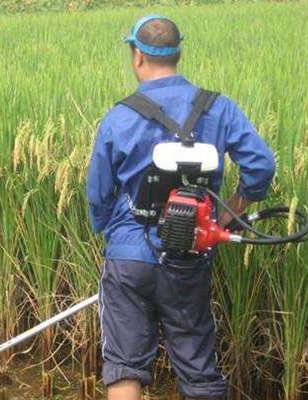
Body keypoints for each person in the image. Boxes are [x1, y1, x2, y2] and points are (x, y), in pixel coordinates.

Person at [86, 14, 276, 400]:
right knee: (198, 370)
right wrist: (227, 214)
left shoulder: (120, 116)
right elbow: (262, 166)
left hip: (128, 259)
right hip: (189, 256)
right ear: (178, 53)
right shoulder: (218, 108)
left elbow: (98, 195)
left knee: (124, 365)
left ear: (137, 56)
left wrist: (116, 238)